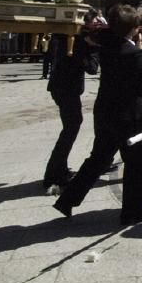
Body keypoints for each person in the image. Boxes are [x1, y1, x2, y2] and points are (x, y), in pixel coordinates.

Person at [54, 4, 142, 225]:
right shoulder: (133, 53)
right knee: (135, 162)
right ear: (134, 29)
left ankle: (68, 199)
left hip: (105, 111)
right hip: (128, 115)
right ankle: (133, 212)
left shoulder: (109, 45)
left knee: (99, 158)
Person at [42, 32, 99, 190]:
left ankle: (59, 168)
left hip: (60, 87)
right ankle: (53, 174)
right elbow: (92, 69)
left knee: (71, 126)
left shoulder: (65, 37)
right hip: (67, 89)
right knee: (71, 128)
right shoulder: (78, 42)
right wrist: (93, 49)